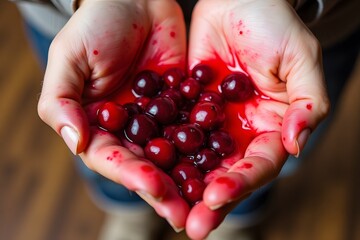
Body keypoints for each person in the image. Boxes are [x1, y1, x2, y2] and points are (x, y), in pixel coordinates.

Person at [11, 0, 360, 239]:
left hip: (305, 23)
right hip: (84, 21)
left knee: (282, 147)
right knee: (100, 147)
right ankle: (128, 210)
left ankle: (236, 217)